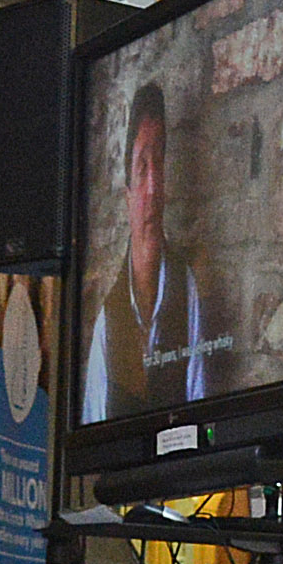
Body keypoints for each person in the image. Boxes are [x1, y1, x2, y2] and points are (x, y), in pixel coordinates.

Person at [84, 86, 209, 421]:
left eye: (160, 165)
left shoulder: (188, 290)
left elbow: (201, 405)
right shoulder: (107, 323)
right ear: (127, 195)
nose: (154, 188)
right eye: (142, 168)